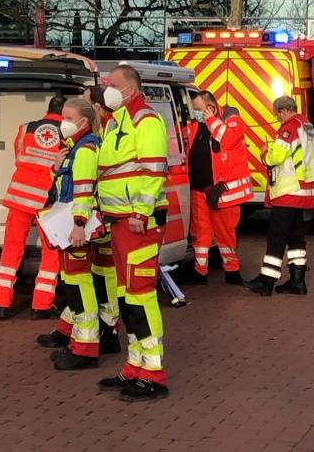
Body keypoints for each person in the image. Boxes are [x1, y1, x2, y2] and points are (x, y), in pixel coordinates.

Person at [95, 65, 170, 402]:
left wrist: (141, 211)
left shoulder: (145, 119)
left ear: (130, 88)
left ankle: (154, 374)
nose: (106, 88)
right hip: (120, 221)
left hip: (139, 222)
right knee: (127, 297)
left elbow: (154, 169)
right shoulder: (118, 120)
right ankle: (135, 365)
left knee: (140, 295)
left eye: (111, 84)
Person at [36, 98, 104, 370]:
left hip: (77, 227)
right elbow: (65, 186)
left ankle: (85, 348)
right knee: (73, 283)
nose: (63, 123)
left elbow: (83, 191)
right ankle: (72, 336)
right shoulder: (74, 147)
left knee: (80, 285)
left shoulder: (85, 149)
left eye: (68, 118)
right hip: (71, 223)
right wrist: (56, 167)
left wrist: (78, 224)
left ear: (83, 121)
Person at [244, 96, 314, 296]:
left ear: (283, 111)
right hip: (305, 191)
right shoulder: (307, 126)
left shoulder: (289, 128)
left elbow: (276, 157)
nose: (278, 118)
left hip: (289, 191)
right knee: (295, 237)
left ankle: (266, 282)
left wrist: (265, 152)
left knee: (277, 236)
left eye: (277, 115)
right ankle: (297, 282)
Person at [0, 94, 65, 320]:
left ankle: (1, 304)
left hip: (20, 196)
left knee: (11, 250)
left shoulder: (26, 129)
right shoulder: (66, 134)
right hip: (46, 201)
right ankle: (41, 306)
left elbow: (19, 157)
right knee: (51, 252)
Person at [183, 90, 253, 285]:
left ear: (211, 108)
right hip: (199, 189)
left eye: (198, 110)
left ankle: (232, 271)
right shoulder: (194, 125)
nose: (196, 113)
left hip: (222, 192)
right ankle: (200, 272)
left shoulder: (232, 120)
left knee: (225, 234)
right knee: (200, 233)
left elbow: (229, 140)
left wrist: (211, 120)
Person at [82, 85, 124, 355]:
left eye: (87, 104)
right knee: (101, 274)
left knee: (107, 276)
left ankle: (110, 331)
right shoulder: (108, 128)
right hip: (104, 214)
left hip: (107, 215)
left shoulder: (109, 129)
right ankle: (107, 328)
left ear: (97, 107)